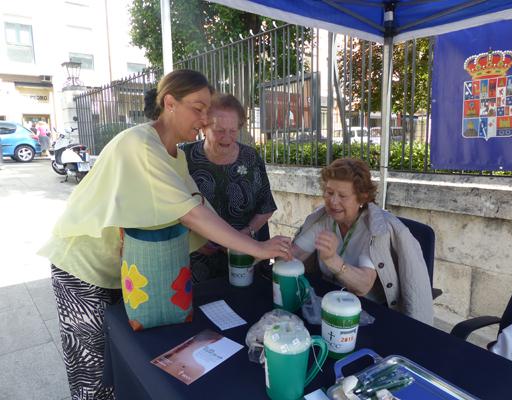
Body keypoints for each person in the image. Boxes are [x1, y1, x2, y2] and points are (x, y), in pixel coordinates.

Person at [38, 69, 292, 400]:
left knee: (122, 359)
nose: (204, 119)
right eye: (198, 108)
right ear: (169, 103)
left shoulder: (175, 155)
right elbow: (192, 215)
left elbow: (198, 206)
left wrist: (223, 242)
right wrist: (256, 248)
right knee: (95, 369)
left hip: (123, 272)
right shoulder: (140, 144)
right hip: (83, 268)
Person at [292, 158, 433, 325]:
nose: (333, 201)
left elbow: (363, 286)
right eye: (329, 193)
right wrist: (276, 251)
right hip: (329, 304)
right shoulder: (323, 220)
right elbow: (294, 256)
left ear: (362, 198)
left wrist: (332, 260)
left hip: (369, 313)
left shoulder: (374, 229)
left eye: (343, 196)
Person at [181, 93, 277, 282]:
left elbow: (266, 207)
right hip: (198, 261)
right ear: (204, 127)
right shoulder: (184, 157)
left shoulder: (250, 158)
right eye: (219, 130)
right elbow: (172, 208)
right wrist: (195, 240)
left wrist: (246, 232)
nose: (227, 137)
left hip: (245, 255)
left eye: (233, 131)